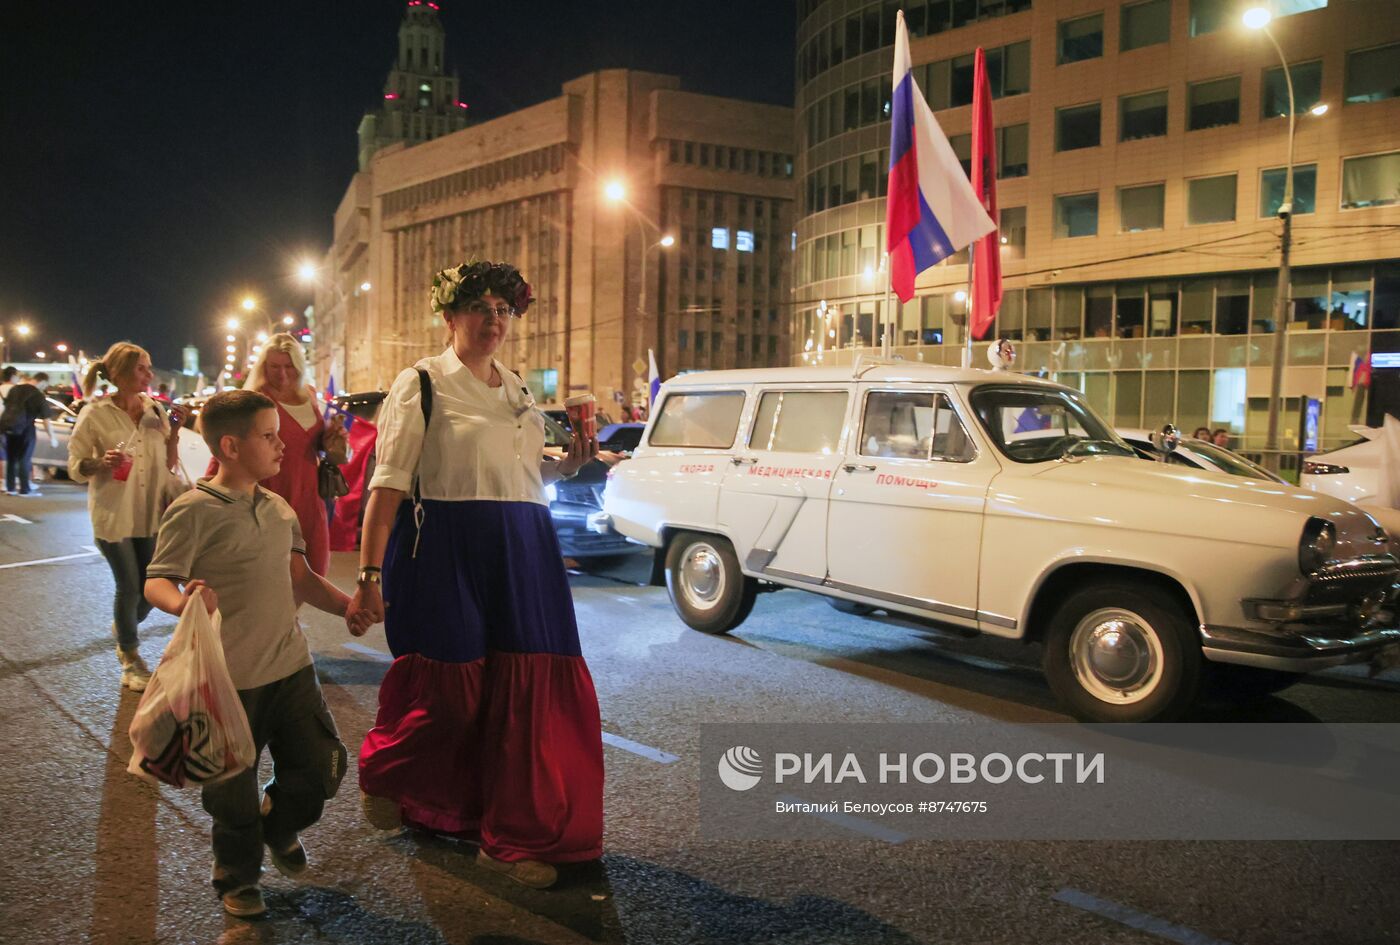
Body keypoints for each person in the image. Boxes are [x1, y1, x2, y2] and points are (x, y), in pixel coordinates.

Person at [349, 260, 603, 890]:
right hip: (445, 546)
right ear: (450, 316)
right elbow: (388, 486)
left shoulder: (516, 388)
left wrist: (568, 466)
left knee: (528, 692)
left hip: (523, 546)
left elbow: (520, 476)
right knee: (451, 694)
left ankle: (513, 837)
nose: (494, 319)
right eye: (481, 307)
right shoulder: (422, 384)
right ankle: (390, 772)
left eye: (504, 310)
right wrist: (369, 574)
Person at [144, 390, 365, 919]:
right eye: (268, 436)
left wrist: (348, 608)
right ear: (231, 445)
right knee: (231, 798)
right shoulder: (194, 510)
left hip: (290, 669)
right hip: (226, 680)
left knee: (322, 768)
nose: (281, 444)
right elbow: (156, 583)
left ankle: (281, 823)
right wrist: (185, 601)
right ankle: (237, 878)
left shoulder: (279, 506)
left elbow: (300, 577)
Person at [67, 344, 184, 691]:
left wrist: (175, 429)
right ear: (118, 373)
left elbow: (168, 462)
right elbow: (75, 465)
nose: (149, 375)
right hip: (113, 515)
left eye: (149, 368)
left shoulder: (154, 410)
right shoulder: (95, 413)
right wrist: (100, 463)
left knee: (150, 590)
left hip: (149, 514)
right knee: (129, 585)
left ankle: (124, 626)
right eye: (142, 369)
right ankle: (130, 658)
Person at [225, 334, 347, 575]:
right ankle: (283, 614)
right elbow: (231, 445)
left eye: (289, 366)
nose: (282, 374)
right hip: (270, 492)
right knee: (275, 571)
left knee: (313, 570)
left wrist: (332, 436)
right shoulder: (254, 399)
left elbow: (311, 443)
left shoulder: (310, 394)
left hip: (309, 493)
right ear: (263, 367)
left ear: (299, 366)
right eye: (274, 367)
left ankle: (290, 614)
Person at [3, 371, 56, 497]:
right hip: (26, 430)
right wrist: (52, 437)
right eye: (45, 385)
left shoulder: (14, 389)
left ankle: (10, 488)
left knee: (11, 459)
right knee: (24, 459)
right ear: (42, 381)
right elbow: (46, 418)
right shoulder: (37, 394)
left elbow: (7, 407)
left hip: (9, 427)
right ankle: (24, 489)